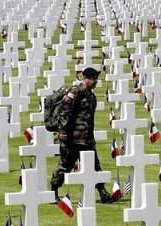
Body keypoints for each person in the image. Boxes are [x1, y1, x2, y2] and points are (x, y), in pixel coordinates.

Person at [50, 67, 118, 204]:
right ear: (85, 78)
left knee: (95, 166)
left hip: (86, 139)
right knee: (65, 166)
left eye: (96, 79)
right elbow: (64, 110)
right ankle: (53, 191)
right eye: (93, 79)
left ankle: (103, 192)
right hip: (71, 139)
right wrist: (62, 131)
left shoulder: (91, 97)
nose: (96, 81)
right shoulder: (75, 91)